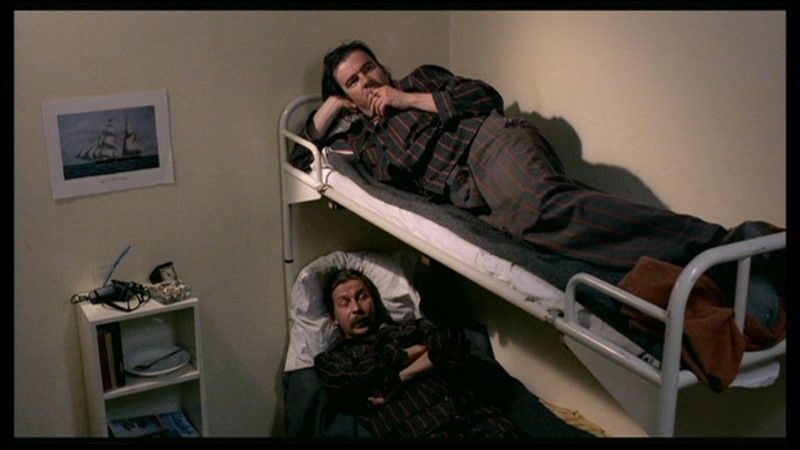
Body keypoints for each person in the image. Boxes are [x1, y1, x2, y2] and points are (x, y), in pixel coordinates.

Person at [293, 40, 784, 278]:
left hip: (488, 143)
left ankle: (722, 242)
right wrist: (333, 105)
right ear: (345, 96)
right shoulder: (365, 144)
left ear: (383, 66)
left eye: (369, 68)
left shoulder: (420, 78)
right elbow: (301, 155)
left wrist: (406, 99)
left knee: (541, 209)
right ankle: (710, 271)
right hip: (471, 194)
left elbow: (486, 96)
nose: (367, 81)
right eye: (353, 81)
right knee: (551, 225)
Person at [313, 268, 528, 439]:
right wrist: (416, 352)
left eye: (362, 297)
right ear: (334, 318)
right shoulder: (333, 360)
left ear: (374, 302)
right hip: (420, 428)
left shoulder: (408, 328)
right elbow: (361, 376)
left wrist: (401, 378)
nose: (356, 308)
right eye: (344, 303)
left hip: (474, 414)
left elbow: (452, 342)